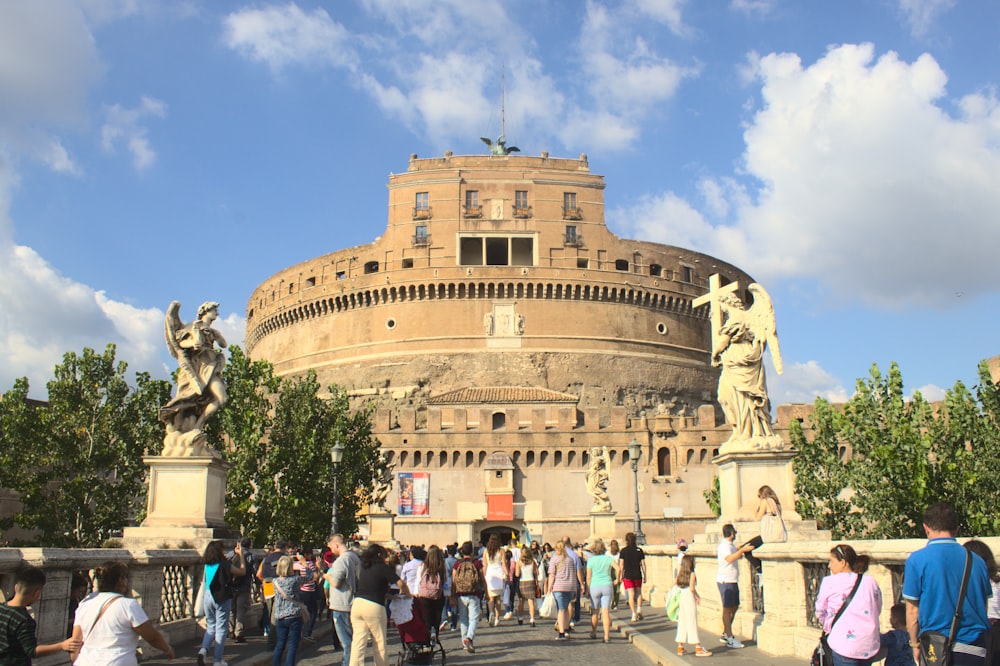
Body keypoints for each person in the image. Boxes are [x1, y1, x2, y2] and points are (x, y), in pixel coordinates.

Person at [904, 503, 991, 666]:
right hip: (974, 647)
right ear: (956, 529)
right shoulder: (977, 561)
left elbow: (912, 610)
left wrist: (915, 644)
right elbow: (983, 605)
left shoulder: (917, 560)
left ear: (926, 528)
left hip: (935, 648)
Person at [70, 562, 173, 665]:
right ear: (121, 580)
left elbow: (76, 641)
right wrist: (167, 649)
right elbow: (151, 636)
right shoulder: (128, 605)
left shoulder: (86, 603)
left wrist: (75, 661)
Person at [815, 544, 882, 666]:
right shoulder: (870, 581)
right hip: (868, 643)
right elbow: (877, 608)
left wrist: (827, 625)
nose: (829, 566)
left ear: (843, 562)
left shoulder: (829, 582)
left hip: (843, 644)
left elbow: (820, 610)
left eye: (832, 561)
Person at [0, 566, 82, 665]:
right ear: (36, 593)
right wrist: (62, 645)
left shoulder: (2, 607)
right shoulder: (24, 620)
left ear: (16, 587)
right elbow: (32, 651)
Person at [350, 543, 409, 666]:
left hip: (358, 604)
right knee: (379, 642)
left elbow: (372, 588)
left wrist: (391, 596)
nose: (386, 558)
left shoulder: (364, 568)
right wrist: (407, 594)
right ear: (379, 555)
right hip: (374, 607)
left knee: (358, 643)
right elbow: (401, 584)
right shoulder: (383, 567)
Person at [197, 539, 246, 666]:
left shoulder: (207, 564)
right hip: (221, 596)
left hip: (208, 596)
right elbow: (242, 571)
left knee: (211, 626)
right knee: (221, 629)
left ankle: (203, 650)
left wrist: (234, 554)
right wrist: (241, 556)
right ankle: (217, 660)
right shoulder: (224, 564)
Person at [325, 534, 360, 666]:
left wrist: (327, 577)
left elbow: (335, 583)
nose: (331, 550)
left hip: (341, 604)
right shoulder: (355, 557)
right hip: (353, 601)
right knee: (352, 640)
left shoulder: (341, 561)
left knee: (346, 642)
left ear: (336, 545)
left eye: (331, 547)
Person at [717, 523, 753, 648]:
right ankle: (730, 637)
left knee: (735, 606)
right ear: (732, 533)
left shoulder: (729, 545)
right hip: (726, 581)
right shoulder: (724, 547)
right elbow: (729, 559)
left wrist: (740, 548)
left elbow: (733, 552)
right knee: (727, 609)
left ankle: (726, 632)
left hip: (732, 580)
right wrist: (742, 551)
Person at [451, 541, 486, 653]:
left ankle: (464, 643)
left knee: (464, 619)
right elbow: (482, 578)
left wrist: (452, 596)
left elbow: (453, 581)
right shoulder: (476, 563)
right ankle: (469, 638)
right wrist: (486, 591)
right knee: (474, 618)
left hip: (461, 594)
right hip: (474, 593)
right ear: (472, 551)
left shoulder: (457, 564)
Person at [546, 540, 584, 641]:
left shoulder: (554, 560)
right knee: (566, 608)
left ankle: (561, 632)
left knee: (561, 610)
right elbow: (574, 573)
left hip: (559, 587)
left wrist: (549, 587)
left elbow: (552, 575)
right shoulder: (570, 559)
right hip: (571, 587)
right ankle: (567, 629)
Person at [271, 556, 306, 666]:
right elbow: (310, 576)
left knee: (280, 644)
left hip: (280, 616)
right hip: (294, 615)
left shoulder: (275, 581)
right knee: (292, 646)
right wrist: (304, 563)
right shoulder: (295, 580)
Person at [674, 556, 711, 657]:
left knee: (683, 621)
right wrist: (697, 596)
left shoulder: (680, 574)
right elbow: (691, 588)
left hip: (682, 596)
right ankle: (698, 647)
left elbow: (675, 583)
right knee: (692, 620)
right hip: (689, 597)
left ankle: (680, 647)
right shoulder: (692, 574)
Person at [586, 539, 617, 643]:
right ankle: (607, 636)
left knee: (595, 612)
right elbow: (619, 568)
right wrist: (618, 579)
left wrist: (587, 589)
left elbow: (589, 577)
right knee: (605, 612)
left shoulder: (591, 561)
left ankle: (594, 632)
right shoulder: (608, 559)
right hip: (607, 585)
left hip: (595, 586)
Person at [257, 539, 286, 648]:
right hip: (280, 590)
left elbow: (259, 574)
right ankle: (273, 643)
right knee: (278, 618)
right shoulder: (284, 558)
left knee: (271, 617)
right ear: (285, 548)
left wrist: (265, 583)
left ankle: (274, 640)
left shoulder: (266, 558)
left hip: (268, 590)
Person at [416, 545, 447, 636]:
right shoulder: (442, 566)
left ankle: (427, 638)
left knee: (427, 619)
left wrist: (417, 593)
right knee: (436, 620)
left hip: (424, 596)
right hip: (438, 595)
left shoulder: (422, 566)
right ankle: (435, 636)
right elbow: (445, 582)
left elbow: (418, 581)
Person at [229, 537, 255, 643]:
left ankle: (230, 630)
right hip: (244, 586)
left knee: (231, 609)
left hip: (231, 585)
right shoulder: (251, 556)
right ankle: (239, 632)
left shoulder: (231, 554)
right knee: (241, 610)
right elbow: (255, 571)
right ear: (249, 545)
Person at [620, 532, 647, 622]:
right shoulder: (639, 550)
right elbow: (643, 564)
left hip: (628, 575)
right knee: (638, 593)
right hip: (637, 574)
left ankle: (633, 614)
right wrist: (645, 575)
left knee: (631, 594)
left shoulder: (623, 551)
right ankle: (639, 608)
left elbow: (621, 565)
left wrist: (621, 575)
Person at [482, 534, 505, 626]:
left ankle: (491, 612)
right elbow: (503, 564)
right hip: (498, 573)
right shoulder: (501, 550)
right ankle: (497, 618)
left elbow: (485, 565)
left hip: (490, 574)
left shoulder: (486, 551)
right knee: (498, 598)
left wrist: (483, 576)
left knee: (490, 597)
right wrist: (506, 574)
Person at [516, 547, 540, 627]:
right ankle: (532, 619)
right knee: (531, 602)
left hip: (522, 582)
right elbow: (537, 572)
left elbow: (517, 574)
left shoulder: (519, 562)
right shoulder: (533, 562)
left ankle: (520, 617)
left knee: (521, 601)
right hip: (531, 581)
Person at [609, 539, 622, 610]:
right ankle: (614, 602)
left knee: (615, 588)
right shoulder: (608, 553)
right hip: (612, 570)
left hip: (615, 570)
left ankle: (614, 602)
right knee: (613, 588)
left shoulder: (619, 554)